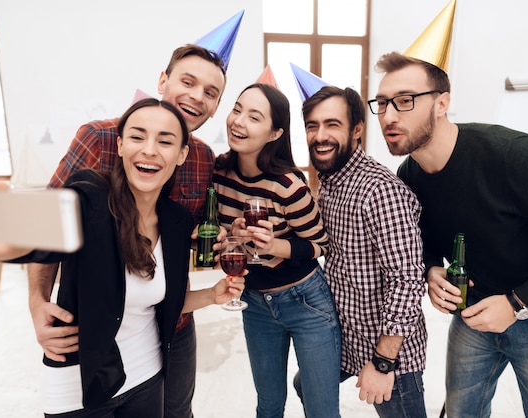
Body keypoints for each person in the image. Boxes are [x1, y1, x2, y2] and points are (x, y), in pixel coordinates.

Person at [0, 98, 245, 416]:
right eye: (137, 137)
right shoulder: (89, 198)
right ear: (121, 146)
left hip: (148, 376)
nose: (150, 150)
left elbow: (160, 303)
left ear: (181, 154)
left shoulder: (177, 221)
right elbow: (30, 231)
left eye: (165, 141)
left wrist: (213, 295)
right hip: (79, 385)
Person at [373, 51, 528, 418]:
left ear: (442, 103)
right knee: (460, 412)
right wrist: (430, 269)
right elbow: (421, 237)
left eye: (405, 101)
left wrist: (518, 303)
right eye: (381, 103)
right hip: (474, 313)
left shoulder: (512, 156)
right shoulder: (409, 174)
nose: (389, 115)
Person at [27, 44, 226, 418]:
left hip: (172, 322)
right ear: (163, 81)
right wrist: (37, 302)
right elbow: (44, 224)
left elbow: (189, 238)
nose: (197, 96)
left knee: (177, 412)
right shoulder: (99, 137)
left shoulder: (202, 158)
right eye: (188, 81)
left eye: (211, 92)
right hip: (98, 331)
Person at [295, 85, 428, 417]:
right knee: (305, 385)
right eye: (312, 126)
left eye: (332, 124)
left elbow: (407, 281)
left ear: (356, 129)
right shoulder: (330, 181)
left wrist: (383, 363)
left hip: (389, 351)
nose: (320, 135)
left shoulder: (379, 191)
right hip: (346, 338)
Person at [212, 83, 341, 418]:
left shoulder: (288, 186)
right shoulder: (219, 174)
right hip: (254, 302)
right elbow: (219, 236)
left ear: (274, 133)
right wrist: (231, 238)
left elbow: (319, 244)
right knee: (268, 405)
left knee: (321, 410)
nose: (238, 121)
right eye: (237, 109)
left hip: (305, 301)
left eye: (254, 117)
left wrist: (273, 245)